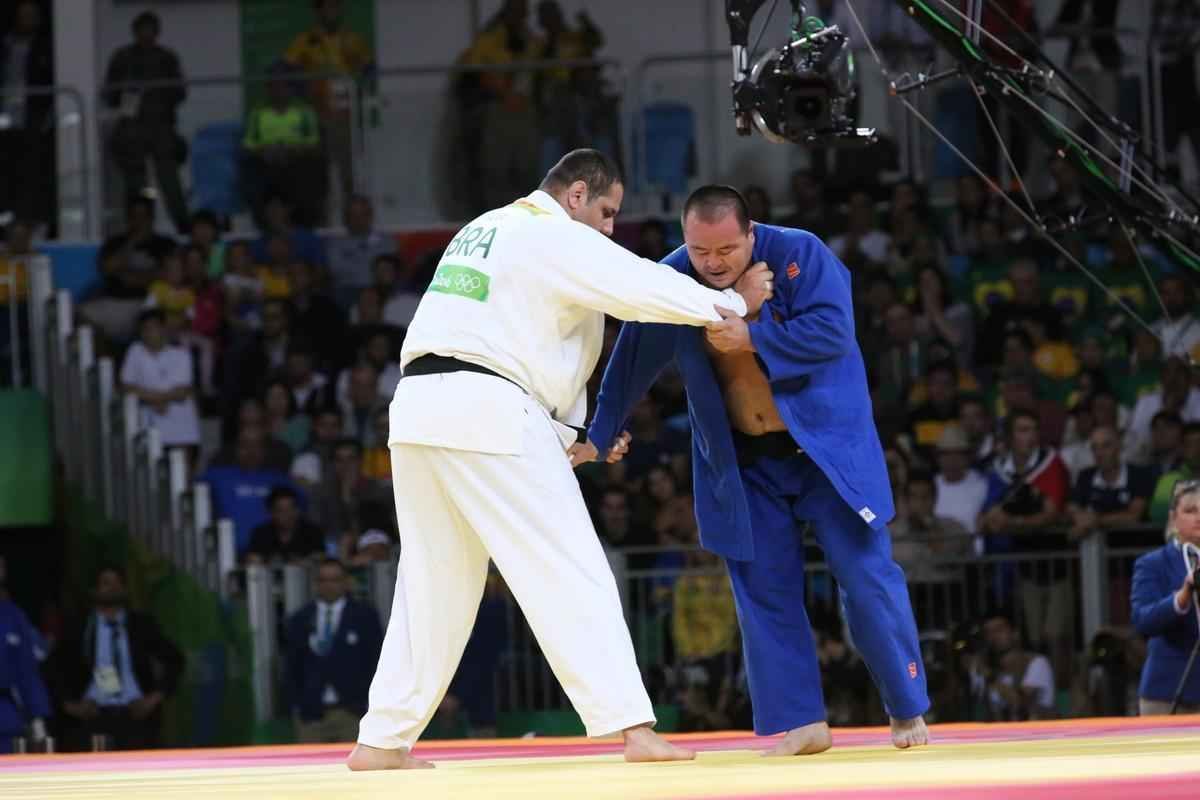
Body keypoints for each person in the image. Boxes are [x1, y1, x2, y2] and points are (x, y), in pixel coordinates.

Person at [349, 150, 759, 770]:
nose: (609, 228)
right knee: (569, 565)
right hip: (486, 410)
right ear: (574, 196)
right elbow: (640, 286)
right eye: (606, 211)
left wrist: (573, 429)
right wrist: (734, 304)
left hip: (417, 411)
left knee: (434, 584)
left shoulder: (482, 230)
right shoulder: (550, 232)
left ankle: (381, 740)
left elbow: (517, 332)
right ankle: (633, 727)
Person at [584, 185, 930, 754]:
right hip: (744, 460)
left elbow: (833, 333)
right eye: (700, 252)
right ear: (685, 241)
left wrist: (755, 334)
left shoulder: (802, 253)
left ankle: (905, 706)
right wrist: (600, 433)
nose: (713, 263)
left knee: (867, 579)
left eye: (726, 249)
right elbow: (632, 357)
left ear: (751, 233)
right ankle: (802, 721)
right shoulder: (674, 277)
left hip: (822, 451)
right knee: (763, 591)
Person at [47, 566, 184, 751]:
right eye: (106, 583)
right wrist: (70, 705)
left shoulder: (140, 624)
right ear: (94, 590)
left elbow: (175, 659)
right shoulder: (79, 627)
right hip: (92, 716)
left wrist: (154, 698)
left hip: (135, 715)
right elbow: (51, 667)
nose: (113, 588)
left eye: (118, 583)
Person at [285, 559, 383, 743]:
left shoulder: (364, 616)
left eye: (335, 579)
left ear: (346, 582)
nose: (329, 585)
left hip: (352, 712)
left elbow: (376, 660)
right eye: (323, 580)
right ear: (316, 584)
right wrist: (297, 705)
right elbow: (292, 666)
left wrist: (367, 703)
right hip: (311, 714)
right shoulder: (301, 618)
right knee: (311, 769)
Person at [1131, 479, 1200, 714]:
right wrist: (1180, 598)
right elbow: (1142, 621)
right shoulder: (1153, 563)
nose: (1199, 517)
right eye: (1190, 511)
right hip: (1168, 690)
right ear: (1174, 517)